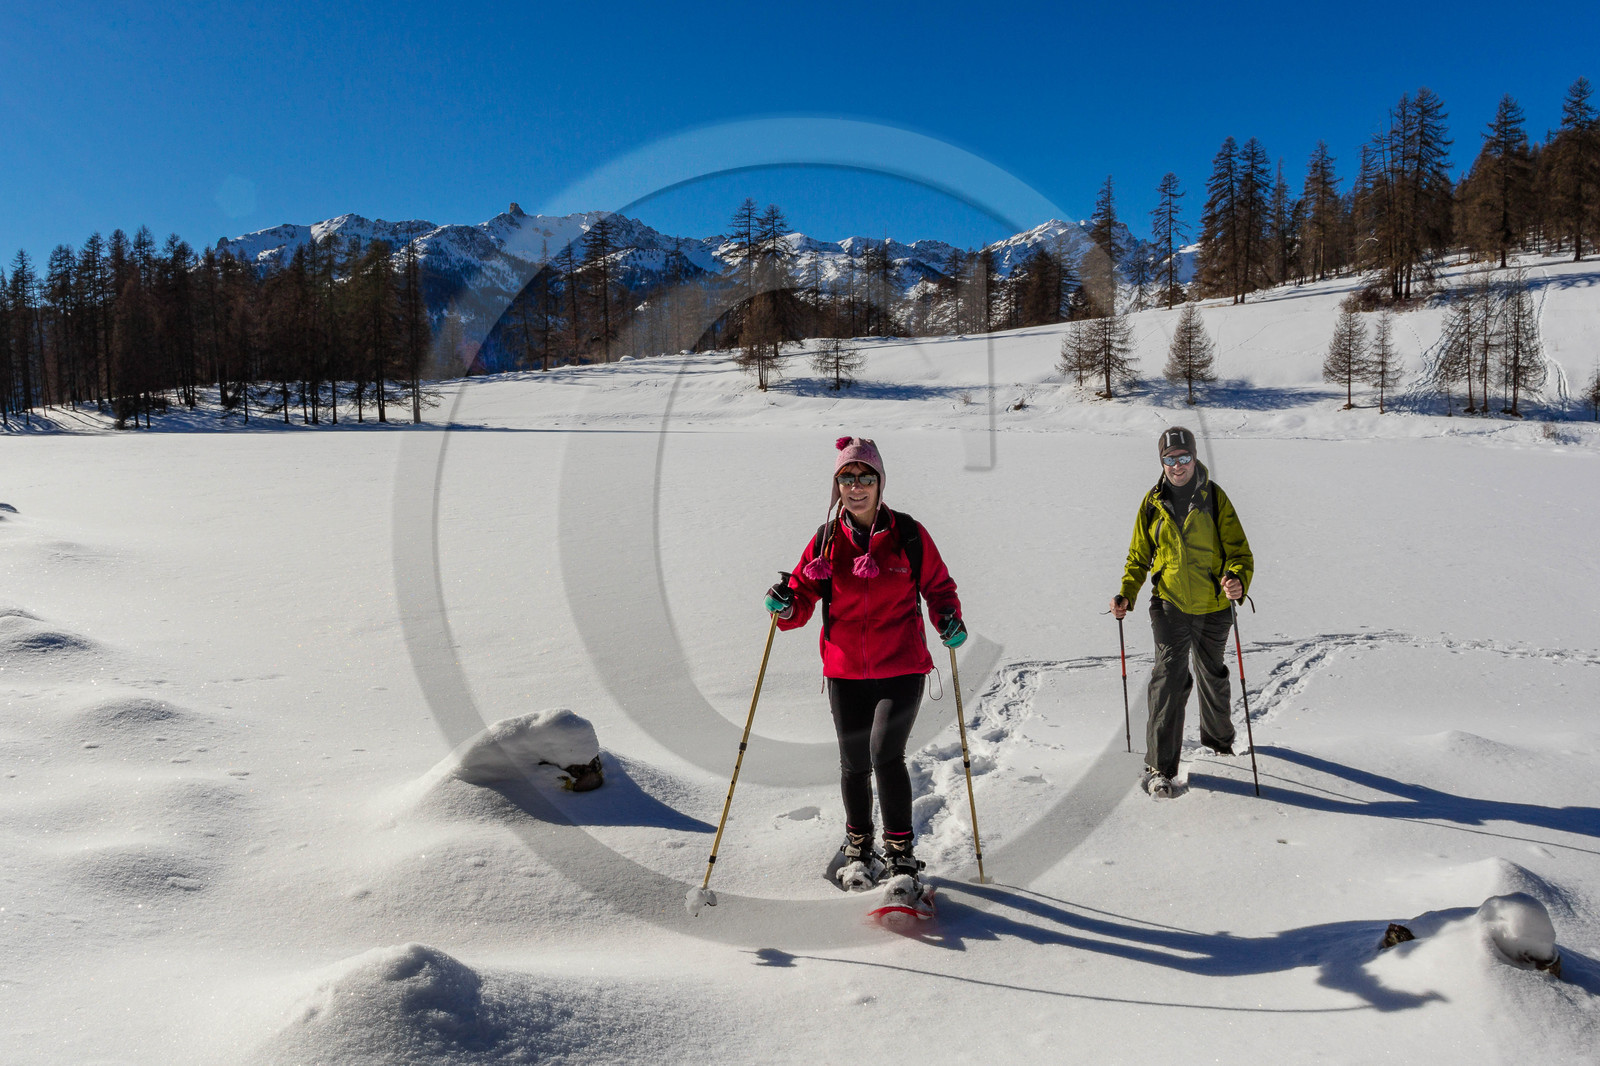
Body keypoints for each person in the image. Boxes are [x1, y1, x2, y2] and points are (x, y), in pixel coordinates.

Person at [764, 436, 965, 891]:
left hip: (902, 666)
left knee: (883, 754)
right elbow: (800, 597)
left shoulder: (908, 534)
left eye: (865, 477)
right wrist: (784, 604)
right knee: (853, 762)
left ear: (879, 483)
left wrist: (948, 619)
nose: (856, 486)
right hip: (845, 672)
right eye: (847, 478)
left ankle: (900, 855)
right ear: (837, 486)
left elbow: (938, 587)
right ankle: (858, 844)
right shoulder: (826, 541)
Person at [1110, 426, 1254, 799]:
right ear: (1162, 462)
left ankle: (1219, 743)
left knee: (1212, 675)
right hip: (1169, 604)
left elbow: (1239, 553)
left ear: (1194, 456)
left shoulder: (1215, 499)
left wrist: (1236, 579)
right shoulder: (1152, 502)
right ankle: (1161, 768)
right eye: (1170, 459)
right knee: (1170, 677)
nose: (1177, 466)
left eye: (1184, 457)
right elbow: (1139, 556)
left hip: (1213, 606)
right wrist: (1127, 592)